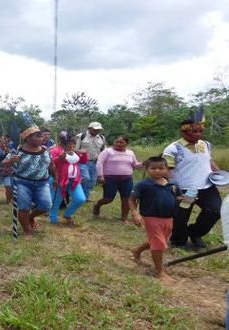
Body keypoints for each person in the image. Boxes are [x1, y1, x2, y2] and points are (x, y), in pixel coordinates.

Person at [163, 119, 221, 249]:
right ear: (183, 131)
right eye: (194, 131)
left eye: (200, 131)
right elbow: (167, 170)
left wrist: (220, 174)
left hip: (207, 187)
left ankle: (195, 233)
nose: (198, 134)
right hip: (187, 189)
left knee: (215, 211)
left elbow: (209, 161)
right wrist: (174, 188)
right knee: (182, 216)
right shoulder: (173, 148)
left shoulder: (205, 144)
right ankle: (179, 241)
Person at [130, 156, 181, 284]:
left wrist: (187, 199)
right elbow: (132, 199)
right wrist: (135, 213)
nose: (157, 171)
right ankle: (159, 271)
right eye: (153, 168)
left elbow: (178, 197)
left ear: (166, 169)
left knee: (160, 240)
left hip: (169, 218)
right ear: (147, 169)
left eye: (161, 168)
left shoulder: (172, 185)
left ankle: (138, 250)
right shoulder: (143, 185)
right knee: (158, 244)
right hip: (151, 217)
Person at [1, 126, 57, 237]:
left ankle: (31, 217)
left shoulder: (46, 150)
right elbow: (3, 163)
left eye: (41, 136)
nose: (42, 138)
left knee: (46, 205)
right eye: (39, 136)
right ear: (28, 138)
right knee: (23, 207)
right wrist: (11, 160)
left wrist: (56, 178)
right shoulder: (17, 151)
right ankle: (27, 230)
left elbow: (51, 165)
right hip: (22, 183)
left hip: (42, 183)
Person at [93, 135, 143, 223]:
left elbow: (135, 165)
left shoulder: (130, 153)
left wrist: (143, 164)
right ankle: (97, 205)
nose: (118, 144)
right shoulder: (107, 151)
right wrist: (100, 176)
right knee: (108, 198)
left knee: (126, 199)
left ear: (126, 143)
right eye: (117, 142)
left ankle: (124, 218)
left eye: (121, 142)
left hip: (127, 179)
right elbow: (99, 163)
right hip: (110, 179)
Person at [49, 137, 87, 226]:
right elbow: (52, 164)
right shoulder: (59, 152)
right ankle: (53, 218)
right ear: (64, 145)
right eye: (69, 146)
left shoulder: (76, 154)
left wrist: (84, 154)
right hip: (61, 180)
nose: (71, 147)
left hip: (74, 181)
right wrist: (60, 158)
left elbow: (83, 161)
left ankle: (67, 214)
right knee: (57, 199)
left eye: (73, 146)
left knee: (80, 199)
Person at [76, 122, 106, 200]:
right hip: (83, 162)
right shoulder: (81, 136)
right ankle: (78, 194)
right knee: (85, 178)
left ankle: (85, 196)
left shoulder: (101, 138)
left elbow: (103, 150)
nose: (97, 131)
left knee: (92, 181)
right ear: (89, 128)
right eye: (95, 129)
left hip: (96, 162)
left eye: (98, 129)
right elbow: (75, 149)